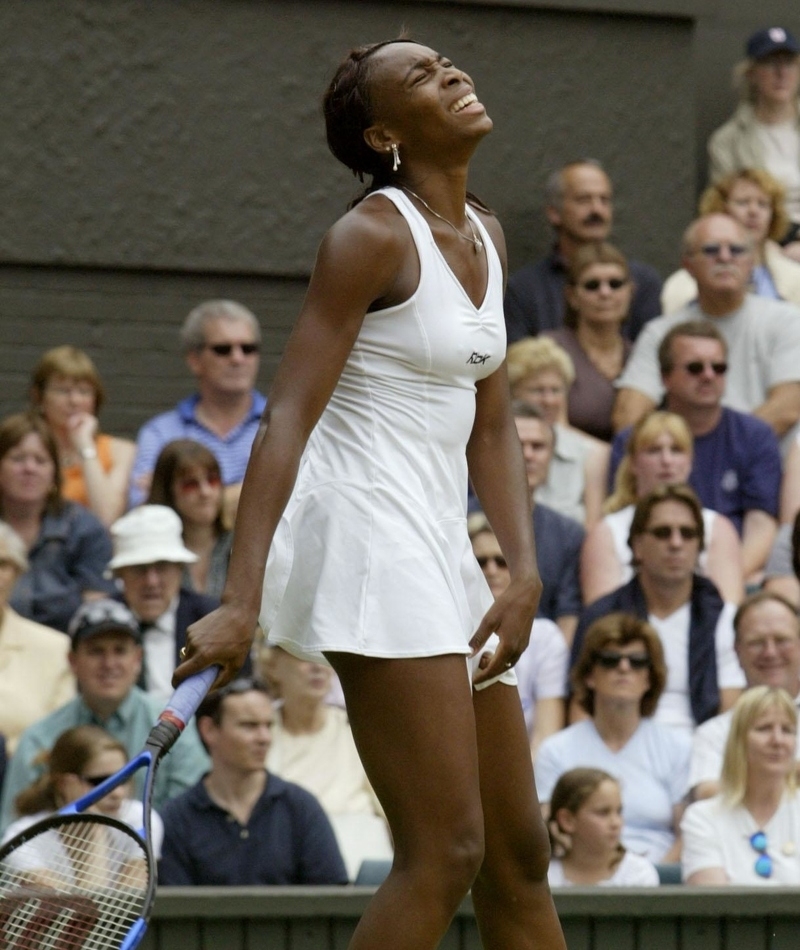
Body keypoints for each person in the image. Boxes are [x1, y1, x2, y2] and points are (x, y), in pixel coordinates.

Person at [175, 38, 567, 950]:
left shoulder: (489, 232)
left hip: (442, 545)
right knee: (446, 850)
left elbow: (494, 422)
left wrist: (522, 572)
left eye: (449, 63)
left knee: (517, 856)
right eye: (424, 77)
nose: (458, 75)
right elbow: (285, 420)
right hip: (369, 544)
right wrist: (241, 600)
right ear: (385, 132)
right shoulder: (368, 238)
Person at [0, 598, 208, 830]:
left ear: (137, 659)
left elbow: (192, 819)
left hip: (158, 858)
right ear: (72, 661)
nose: (109, 663)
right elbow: (13, 826)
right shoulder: (39, 738)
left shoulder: (175, 727)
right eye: (96, 651)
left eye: (120, 651)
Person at [610, 324, 781, 583]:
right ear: (665, 377)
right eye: (695, 368)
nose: (709, 375)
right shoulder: (633, 439)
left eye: (718, 367)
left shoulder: (756, 436)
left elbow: (761, 526)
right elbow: (617, 513)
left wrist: (718, 582)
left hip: (731, 575)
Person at [612, 214, 800, 450]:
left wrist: (717, 454)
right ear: (687, 265)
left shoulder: (787, 320)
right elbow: (628, 416)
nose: (725, 257)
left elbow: (788, 408)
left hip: (766, 467)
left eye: (736, 250)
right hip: (680, 471)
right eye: (711, 250)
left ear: (751, 262)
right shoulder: (661, 332)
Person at [574, 486, 745, 735]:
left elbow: (730, 715)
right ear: (637, 544)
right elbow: (581, 707)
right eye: (662, 533)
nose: (676, 543)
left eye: (687, 534)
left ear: (699, 546)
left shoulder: (723, 617)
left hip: (702, 751)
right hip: (619, 747)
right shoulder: (602, 616)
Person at [158, 678, 348, 885]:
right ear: (209, 730)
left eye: (269, 725)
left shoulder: (301, 808)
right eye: (249, 726)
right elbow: (176, 910)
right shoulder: (176, 819)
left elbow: (332, 899)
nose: (264, 737)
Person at [535, 613, 689, 863]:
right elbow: (549, 831)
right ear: (589, 675)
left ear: (650, 677)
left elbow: (687, 835)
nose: (624, 667)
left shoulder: (678, 746)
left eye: (638, 661)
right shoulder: (556, 750)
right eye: (610, 660)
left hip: (658, 883)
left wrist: (650, 880)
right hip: (582, 884)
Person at [583, 411, 743, 605]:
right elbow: (602, 618)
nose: (667, 461)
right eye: (654, 450)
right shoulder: (607, 532)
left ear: (690, 462)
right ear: (633, 463)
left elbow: (727, 612)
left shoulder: (718, 528)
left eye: (676, 450)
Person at [261, 647, 392, 880]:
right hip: (283, 875)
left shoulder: (359, 730)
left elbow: (397, 817)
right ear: (272, 665)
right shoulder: (256, 731)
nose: (318, 666)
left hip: (362, 875)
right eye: (304, 655)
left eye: (325, 657)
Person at [128, 299, 266, 517]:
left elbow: (298, 497)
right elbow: (145, 512)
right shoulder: (160, 432)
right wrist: (257, 491)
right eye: (223, 349)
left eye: (248, 348)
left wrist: (186, 495)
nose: (238, 358)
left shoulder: (282, 426)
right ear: (194, 360)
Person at [504, 159, 662, 342]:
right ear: (554, 212)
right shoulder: (523, 289)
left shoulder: (642, 281)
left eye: (604, 200)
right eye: (583, 200)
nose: (597, 209)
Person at [0, 411, 115, 632]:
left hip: (65, 655)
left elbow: (96, 612)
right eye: (17, 459)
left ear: (54, 473)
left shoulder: (83, 528)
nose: (29, 469)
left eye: (40, 460)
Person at [469, 514, 567, 757]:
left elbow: (546, 736)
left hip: (524, 768)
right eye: (480, 562)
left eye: (501, 562)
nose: (491, 570)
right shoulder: (448, 626)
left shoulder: (547, 637)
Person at [681, 686, 800, 884]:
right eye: (764, 728)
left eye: (787, 730)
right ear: (739, 740)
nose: (778, 740)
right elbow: (712, 907)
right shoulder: (703, 819)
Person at [689, 591, 800, 802]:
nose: (770, 652)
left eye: (782, 640)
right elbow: (706, 794)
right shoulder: (714, 734)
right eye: (757, 642)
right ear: (737, 652)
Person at [107, 505, 220, 701]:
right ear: (120, 574)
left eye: (162, 566)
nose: (151, 581)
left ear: (179, 569)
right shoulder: (101, 623)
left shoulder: (210, 620)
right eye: (139, 568)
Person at [2, 725, 164, 859]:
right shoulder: (23, 840)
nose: (118, 793)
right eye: (101, 782)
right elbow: (86, 900)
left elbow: (135, 897)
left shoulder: (142, 819)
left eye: (123, 779)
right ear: (64, 784)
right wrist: (94, 831)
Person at [708, 27, 800, 260]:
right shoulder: (727, 142)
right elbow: (722, 210)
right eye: (771, 63)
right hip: (756, 251)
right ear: (751, 73)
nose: (781, 73)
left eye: (788, 63)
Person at [29, 345, 136, 527]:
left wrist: (85, 445)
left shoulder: (121, 451)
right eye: (63, 390)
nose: (75, 401)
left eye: (84, 392)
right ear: (39, 397)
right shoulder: (22, 449)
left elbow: (106, 518)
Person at [662, 169, 800, 310]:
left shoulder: (795, 278)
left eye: (763, 204)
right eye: (743, 202)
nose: (753, 211)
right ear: (721, 209)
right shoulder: (682, 286)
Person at [507, 338, 609, 527]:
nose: (549, 401)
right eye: (537, 391)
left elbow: (593, 527)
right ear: (512, 394)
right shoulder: (491, 449)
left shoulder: (593, 454)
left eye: (556, 390)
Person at [542, 242, 633, 442]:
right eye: (592, 285)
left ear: (630, 291)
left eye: (615, 284)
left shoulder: (640, 355)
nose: (605, 293)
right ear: (572, 296)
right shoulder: (548, 350)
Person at [511, 404, 585, 645]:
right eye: (518, 445)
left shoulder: (568, 533)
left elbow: (568, 614)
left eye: (538, 447)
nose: (529, 455)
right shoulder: (460, 520)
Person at [0, 521, 75, 756]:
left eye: (2, 564)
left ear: (18, 573)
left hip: (27, 783)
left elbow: (58, 739)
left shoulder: (55, 648)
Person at [146, 439, 232, 599]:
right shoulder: (149, 551)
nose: (205, 492)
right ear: (168, 491)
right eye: (191, 484)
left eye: (212, 480)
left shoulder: (241, 546)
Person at [546, 768, 659, 887]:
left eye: (619, 811)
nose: (616, 823)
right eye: (603, 812)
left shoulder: (638, 873)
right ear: (567, 820)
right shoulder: (546, 876)